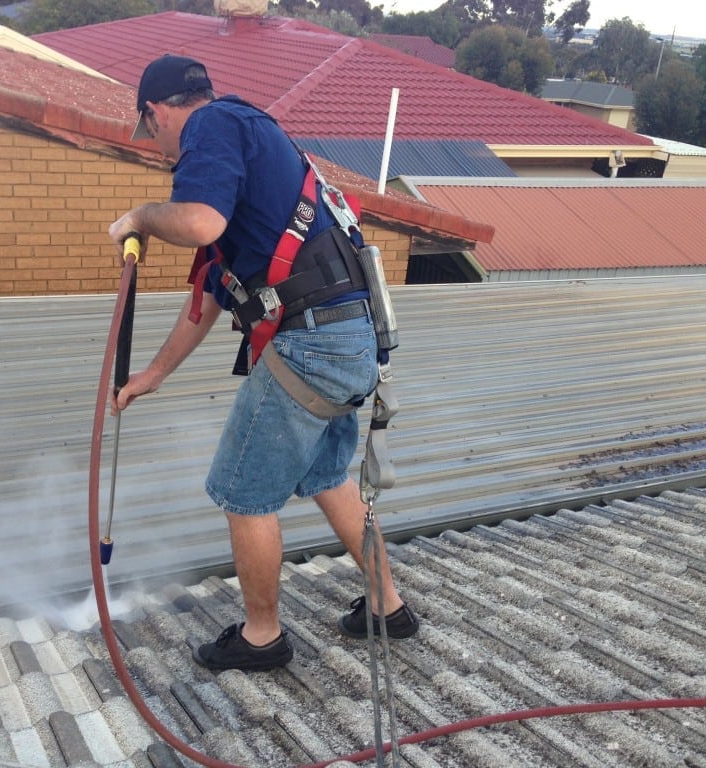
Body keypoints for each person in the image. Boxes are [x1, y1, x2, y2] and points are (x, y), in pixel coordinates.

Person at [108, 55, 418, 672]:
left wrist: (141, 217)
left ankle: (262, 637)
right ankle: (389, 605)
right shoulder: (256, 169)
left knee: (242, 490)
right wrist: (152, 377)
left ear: (158, 111)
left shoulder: (213, 126)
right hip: (351, 339)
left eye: (156, 134)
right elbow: (205, 303)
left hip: (312, 342)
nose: (168, 153)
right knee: (328, 478)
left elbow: (198, 221)